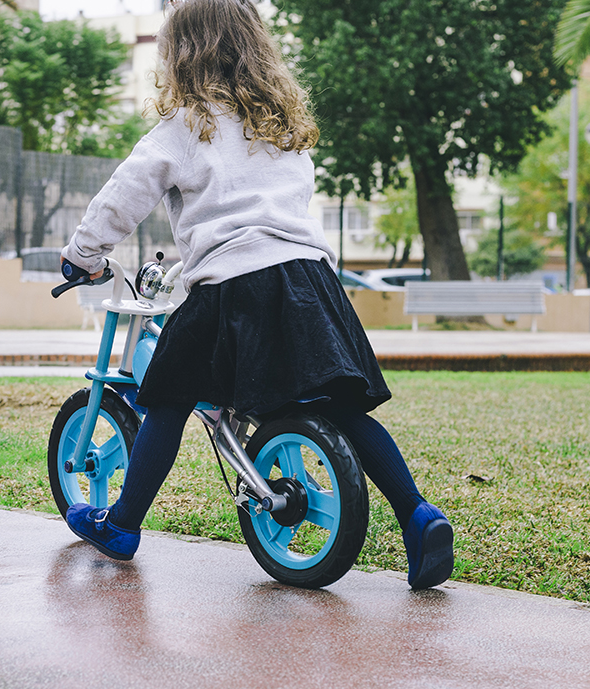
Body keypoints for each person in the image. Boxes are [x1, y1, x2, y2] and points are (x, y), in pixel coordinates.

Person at [58, 0, 453, 589]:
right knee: (340, 407)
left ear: (182, 57)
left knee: (166, 397)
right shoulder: (283, 127)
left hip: (231, 283)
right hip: (308, 282)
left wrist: (82, 255)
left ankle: (121, 522)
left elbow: (123, 197)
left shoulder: (186, 127)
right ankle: (419, 514)